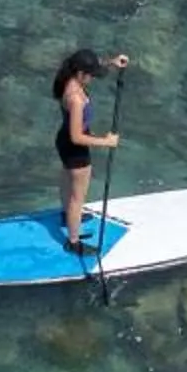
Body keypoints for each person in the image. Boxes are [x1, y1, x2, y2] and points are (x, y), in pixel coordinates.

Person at [52, 47, 128, 250]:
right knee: (78, 198)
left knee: (66, 180)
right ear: (80, 73)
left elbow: (87, 65)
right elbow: (77, 137)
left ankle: (66, 215)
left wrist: (112, 62)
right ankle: (73, 242)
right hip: (75, 148)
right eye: (90, 75)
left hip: (63, 141)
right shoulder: (76, 98)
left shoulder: (67, 77)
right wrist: (107, 142)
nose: (92, 79)